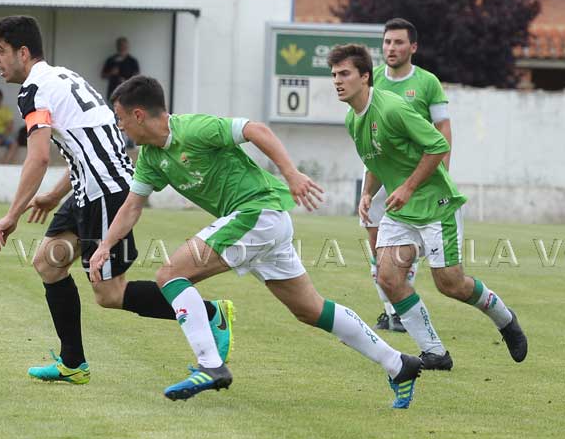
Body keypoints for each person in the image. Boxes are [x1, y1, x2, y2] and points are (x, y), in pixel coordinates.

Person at [89, 75, 423, 409]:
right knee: (310, 309)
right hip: (264, 223)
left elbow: (256, 129)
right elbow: (132, 206)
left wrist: (291, 173)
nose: (120, 127)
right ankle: (398, 364)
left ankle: (210, 364)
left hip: (257, 212)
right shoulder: (150, 156)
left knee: (170, 274)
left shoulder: (193, 129)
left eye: (120, 118)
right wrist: (105, 246)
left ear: (138, 115)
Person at [0, 15, 233, 385]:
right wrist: (55, 195)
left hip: (105, 191)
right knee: (48, 263)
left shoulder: (34, 92)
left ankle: (209, 313)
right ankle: (73, 363)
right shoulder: (63, 77)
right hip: (90, 188)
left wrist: (12, 215)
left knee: (109, 293)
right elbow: (90, 144)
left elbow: (38, 158)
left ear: (23, 53)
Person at [328, 43, 528, 373]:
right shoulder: (353, 120)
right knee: (387, 277)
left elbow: (437, 145)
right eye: (334, 75)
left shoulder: (392, 108)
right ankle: (435, 353)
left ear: (365, 77)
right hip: (401, 210)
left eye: (344, 74)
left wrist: (408, 187)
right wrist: (366, 194)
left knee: (450, 283)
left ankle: (505, 319)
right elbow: (376, 160)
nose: (337, 81)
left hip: (436, 205)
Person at [365, 20, 452, 339]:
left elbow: (442, 129)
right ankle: (391, 310)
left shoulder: (427, 83)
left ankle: (401, 311)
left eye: (399, 42)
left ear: (413, 47)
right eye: (387, 42)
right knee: (377, 245)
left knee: (407, 247)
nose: (391, 48)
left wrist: (443, 171)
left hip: (415, 177)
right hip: (379, 170)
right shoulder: (372, 79)